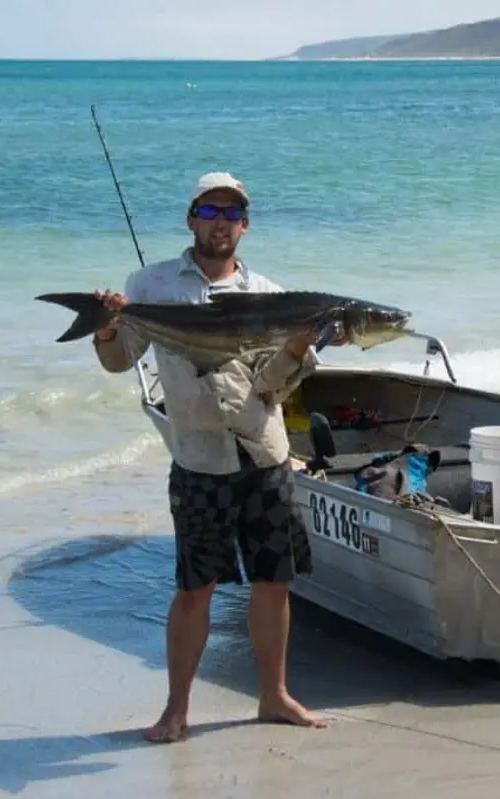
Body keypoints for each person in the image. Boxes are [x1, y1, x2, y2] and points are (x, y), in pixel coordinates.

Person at [91, 171, 339, 743]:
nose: (220, 222)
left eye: (231, 213)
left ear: (245, 225)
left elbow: (273, 388)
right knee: (194, 587)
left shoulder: (271, 297)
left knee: (273, 581)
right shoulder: (150, 286)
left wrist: (300, 345)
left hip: (264, 454)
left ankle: (273, 697)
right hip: (200, 459)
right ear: (191, 219)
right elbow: (118, 361)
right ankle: (176, 710)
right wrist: (106, 328)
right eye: (209, 211)